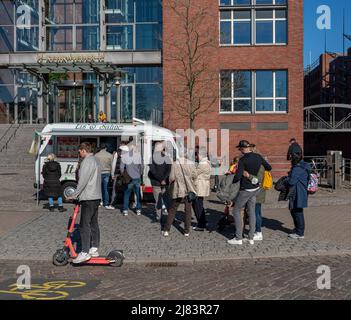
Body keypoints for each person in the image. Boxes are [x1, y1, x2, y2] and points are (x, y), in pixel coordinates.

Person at [227, 140, 272, 245]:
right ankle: (251, 237)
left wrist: (231, 181)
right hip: (255, 188)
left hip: (246, 188)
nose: (240, 151)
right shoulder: (258, 157)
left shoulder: (242, 160)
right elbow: (269, 167)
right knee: (251, 211)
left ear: (242, 149)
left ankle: (238, 238)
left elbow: (238, 177)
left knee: (236, 211)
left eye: (240, 149)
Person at [67, 142, 102, 264]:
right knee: (93, 223)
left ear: (83, 150)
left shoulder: (87, 161)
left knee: (84, 225)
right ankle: (94, 248)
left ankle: (85, 252)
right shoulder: (96, 160)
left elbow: (83, 180)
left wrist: (74, 195)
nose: (79, 154)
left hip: (88, 196)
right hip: (96, 195)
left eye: (79, 151)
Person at [163, 151, 197, 237]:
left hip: (178, 189)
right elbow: (195, 175)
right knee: (188, 210)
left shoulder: (175, 164)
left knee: (172, 209)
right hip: (188, 189)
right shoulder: (191, 163)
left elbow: (171, 177)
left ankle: (166, 230)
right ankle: (186, 231)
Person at [287, 153, 311, 239]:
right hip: (302, 191)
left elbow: (291, 182)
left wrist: (287, 179)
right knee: (296, 210)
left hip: (297, 192)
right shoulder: (305, 166)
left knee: (297, 211)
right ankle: (298, 229)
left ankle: (300, 233)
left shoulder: (297, 168)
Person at [148, 142, 172, 222]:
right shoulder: (166, 157)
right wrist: (164, 179)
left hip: (156, 182)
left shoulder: (152, 158)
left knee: (158, 200)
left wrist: (161, 179)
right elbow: (169, 170)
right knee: (167, 200)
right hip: (164, 182)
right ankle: (171, 216)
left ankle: (159, 217)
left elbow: (153, 171)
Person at [120, 144, 143, 216]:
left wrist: (124, 175)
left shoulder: (125, 156)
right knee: (137, 194)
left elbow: (121, 167)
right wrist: (140, 173)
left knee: (127, 194)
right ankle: (138, 209)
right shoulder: (139, 156)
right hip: (137, 177)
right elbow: (142, 167)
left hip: (128, 178)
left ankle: (125, 210)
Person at [193, 147, 211, 231]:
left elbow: (194, 174)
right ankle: (203, 221)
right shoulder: (206, 162)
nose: (196, 156)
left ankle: (201, 224)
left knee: (197, 205)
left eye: (196, 154)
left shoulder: (203, 164)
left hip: (200, 185)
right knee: (199, 204)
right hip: (202, 185)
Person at [95, 144, 114, 210]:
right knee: (106, 189)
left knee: (98, 189)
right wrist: (112, 174)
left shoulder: (96, 155)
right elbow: (112, 166)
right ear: (106, 148)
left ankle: (99, 202)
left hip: (99, 173)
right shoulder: (110, 155)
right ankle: (106, 203)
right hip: (107, 172)